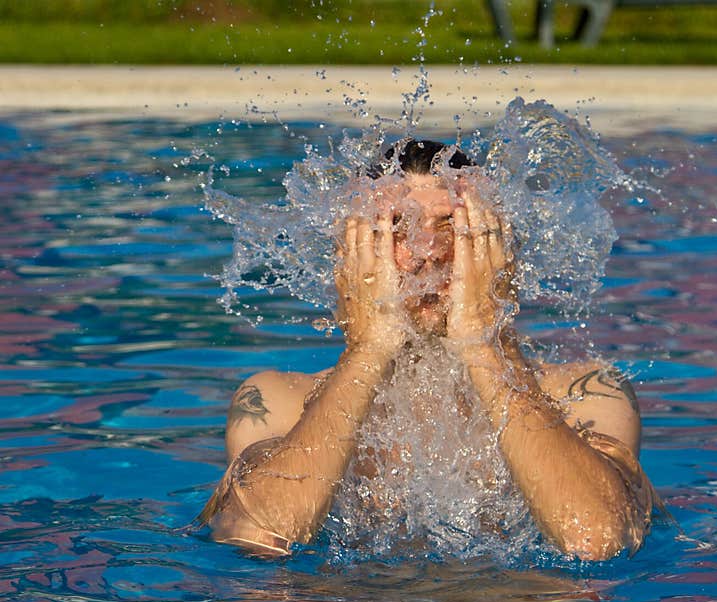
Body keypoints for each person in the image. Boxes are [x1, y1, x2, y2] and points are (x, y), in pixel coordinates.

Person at [199, 138, 656, 561]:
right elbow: (259, 539)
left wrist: (484, 339)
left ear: (501, 256)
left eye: (455, 229)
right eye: (396, 229)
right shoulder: (278, 400)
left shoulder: (584, 394)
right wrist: (368, 350)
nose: (427, 253)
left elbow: (596, 541)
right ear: (352, 260)